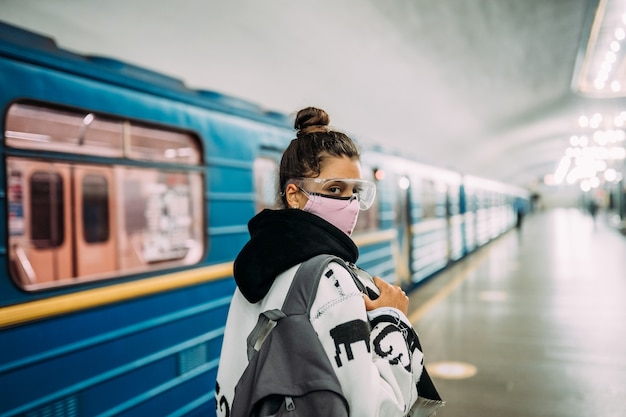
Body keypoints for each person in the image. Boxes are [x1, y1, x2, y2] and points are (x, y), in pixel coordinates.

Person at [215, 107, 442, 417]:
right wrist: (394, 318)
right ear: (294, 195)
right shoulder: (331, 280)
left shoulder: (249, 277)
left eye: (355, 192)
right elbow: (374, 410)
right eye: (334, 189)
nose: (349, 204)